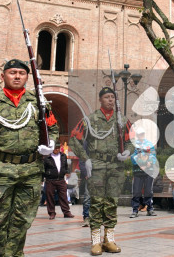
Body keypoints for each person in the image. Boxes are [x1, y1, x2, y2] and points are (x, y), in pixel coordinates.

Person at [0, 59, 60, 257]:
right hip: (1, 170)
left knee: (22, 222)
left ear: (27, 77)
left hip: (31, 172)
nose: (17, 76)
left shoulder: (39, 103)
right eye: (12, 72)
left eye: (21, 73)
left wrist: (50, 145)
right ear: (2, 76)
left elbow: (53, 128)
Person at [69, 87, 131, 255]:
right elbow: (74, 140)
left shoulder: (122, 120)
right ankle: (95, 241)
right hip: (96, 165)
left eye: (112, 97)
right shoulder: (89, 120)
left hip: (115, 166)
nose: (110, 100)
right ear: (100, 100)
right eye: (106, 97)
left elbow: (130, 140)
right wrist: (85, 158)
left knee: (111, 202)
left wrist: (128, 151)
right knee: (96, 203)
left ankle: (109, 239)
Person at [130, 127, 157, 218]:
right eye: (139, 134)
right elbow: (133, 157)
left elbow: (153, 156)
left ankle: (150, 209)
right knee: (136, 191)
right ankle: (135, 210)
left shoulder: (149, 144)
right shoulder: (134, 145)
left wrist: (149, 163)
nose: (141, 136)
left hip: (149, 171)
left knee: (148, 191)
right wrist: (140, 164)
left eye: (142, 134)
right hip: (137, 172)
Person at [43, 145, 74, 219]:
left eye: (57, 148)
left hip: (61, 179)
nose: (56, 150)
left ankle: (66, 212)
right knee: (50, 197)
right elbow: (43, 168)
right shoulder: (47, 157)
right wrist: (43, 178)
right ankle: (52, 213)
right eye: (55, 148)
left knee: (63, 196)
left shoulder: (63, 156)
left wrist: (67, 172)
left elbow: (66, 166)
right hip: (50, 180)